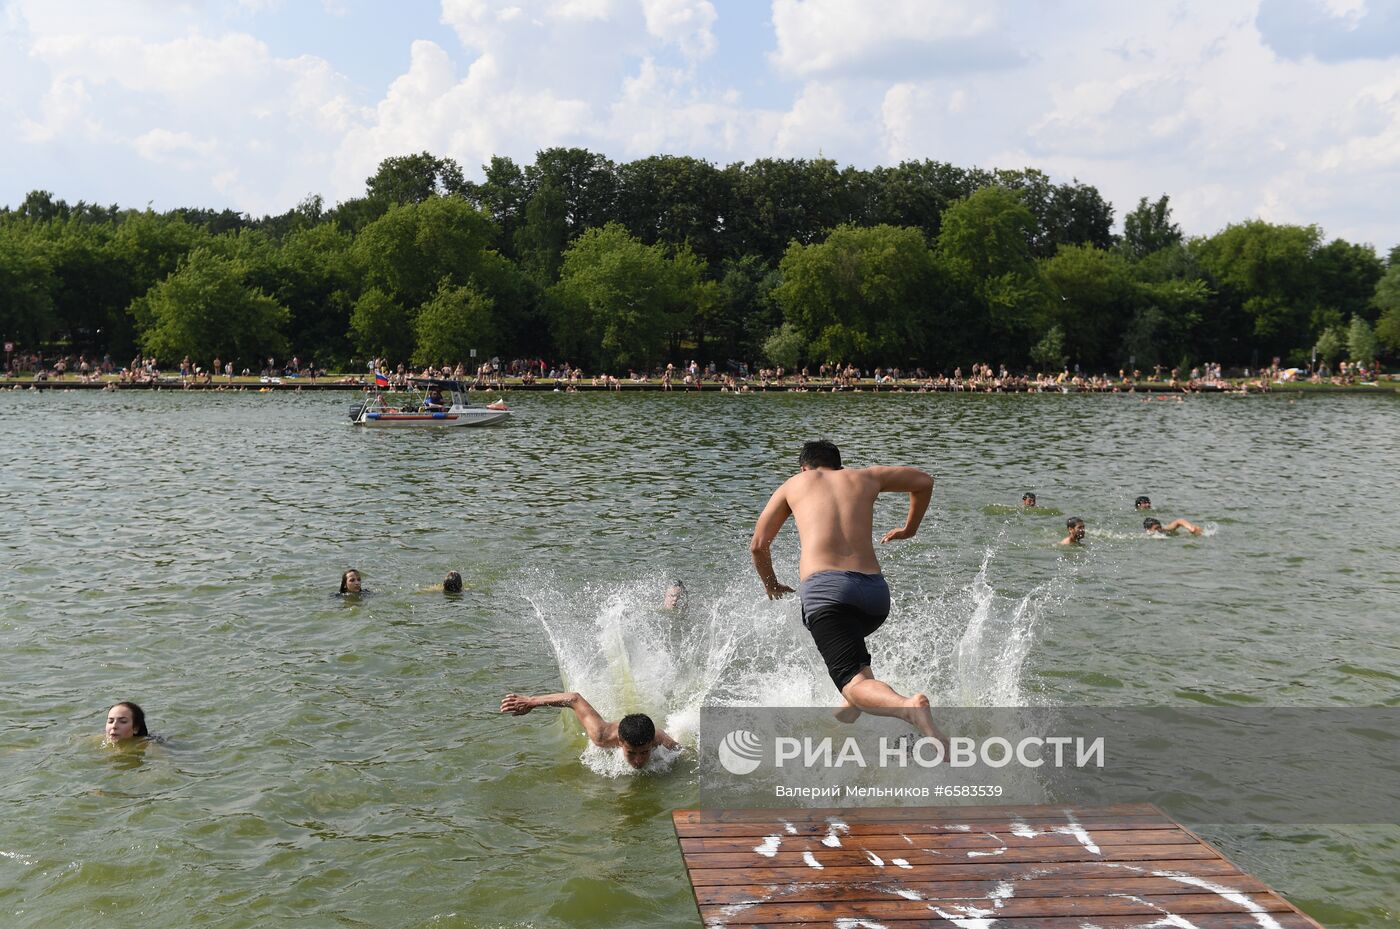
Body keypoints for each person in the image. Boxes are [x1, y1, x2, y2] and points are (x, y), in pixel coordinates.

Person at [750, 439, 942, 741]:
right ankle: (853, 702)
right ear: (839, 465)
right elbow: (923, 481)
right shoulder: (866, 476)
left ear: (804, 468)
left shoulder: (795, 484)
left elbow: (759, 545)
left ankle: (907, 707)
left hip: (828, 593)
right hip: (875, 596)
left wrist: (771, 583)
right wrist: (909, 529)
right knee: (853, 662)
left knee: (850, 680)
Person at [499, 691, 679, 770]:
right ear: (620, 743)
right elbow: (573, 699)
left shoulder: (659, 738)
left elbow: (681, 753)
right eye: (631, 753)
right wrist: (531, 701)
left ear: (651, 744)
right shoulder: (602, 736)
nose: (639, 760)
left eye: (645, 752)